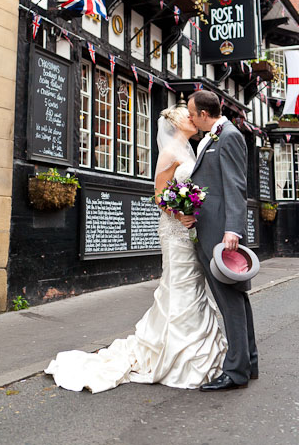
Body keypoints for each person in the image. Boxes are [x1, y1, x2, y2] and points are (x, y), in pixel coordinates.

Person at [45, 105, 226, 392]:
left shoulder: (190, 150)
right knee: (178, 285)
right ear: (175, 123)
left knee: (194, 287)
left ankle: (193, 351)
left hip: (191, 231)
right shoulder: (170, 153)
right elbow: (158, 195)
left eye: (193, 114)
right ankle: (176, 354)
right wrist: (179, 214)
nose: (192, 118)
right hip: (174, 230)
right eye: (187, 115)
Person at [188, 90, 258, 391]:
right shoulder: (214, 137)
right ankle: (248, 362)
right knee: (237, 299)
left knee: (230, 301)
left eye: (192, 114)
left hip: (220, 232)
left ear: (205, 114)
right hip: (210, 228)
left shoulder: (228, 136)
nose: (190, 119)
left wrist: (233, 230)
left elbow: (236, 185)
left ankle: (235, 372)